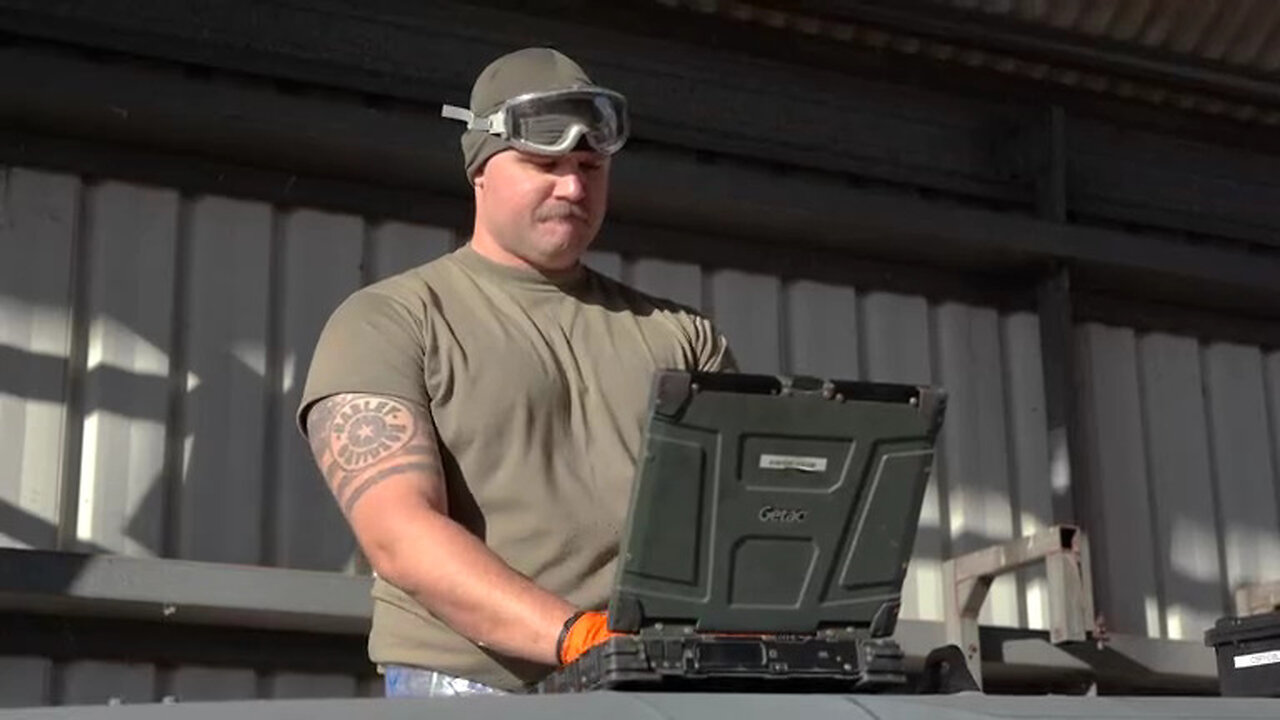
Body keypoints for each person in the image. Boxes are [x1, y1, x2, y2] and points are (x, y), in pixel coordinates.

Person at [296, 47, 736, 697]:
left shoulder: (685, 337)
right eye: (545, 164)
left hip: (649, 686)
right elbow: (399, 534)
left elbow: (738, 518)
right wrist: (579, 638)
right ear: (480, 169)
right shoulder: (390, 321)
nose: (574, 187)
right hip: (470, 686)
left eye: (589, 166)